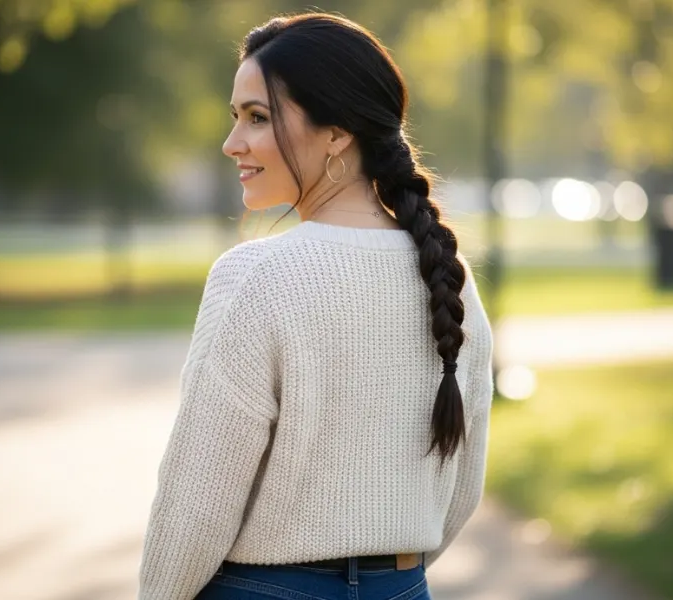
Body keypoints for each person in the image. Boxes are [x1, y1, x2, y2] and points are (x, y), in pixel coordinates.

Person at [138, 12, 493, 600]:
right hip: (402, 588)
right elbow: (461, 491)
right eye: (236, 118)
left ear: (337, 133)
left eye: (257, 118)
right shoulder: (449, 280)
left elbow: (195, 505)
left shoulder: (255, 277)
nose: (232, 144)